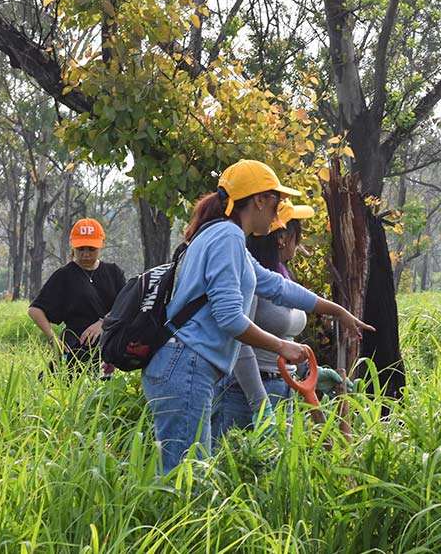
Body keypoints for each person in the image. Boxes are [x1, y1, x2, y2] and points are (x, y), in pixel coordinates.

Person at [143, 160, 374, 473]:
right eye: (277, 200)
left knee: (189, 475)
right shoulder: (227, 237)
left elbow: (274, 286)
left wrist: (336, 310)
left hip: (186, 365)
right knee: (186, 480)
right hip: (186, 365)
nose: (280, 211)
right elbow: (229, 318)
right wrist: (282, 346)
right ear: (259, 200)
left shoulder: (222, 235)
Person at [211, 198, 325, 439]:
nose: (300, 240)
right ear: (282, 237)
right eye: (298, 233)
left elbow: (286, 335)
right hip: (245, 394)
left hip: (284, 388)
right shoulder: (251, 277)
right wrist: (260, 406)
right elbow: (239, 342)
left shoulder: (284, 277)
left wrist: (308, 370)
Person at [28, 218, 126, 374]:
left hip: (112, 345)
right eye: (80, 249)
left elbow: (127, 305)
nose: (86, 255)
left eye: (91, 249)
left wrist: (103, 323)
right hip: (77, 347)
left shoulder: (114, 272)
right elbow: (35, 310)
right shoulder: (64, 275)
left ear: (100, 246)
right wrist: (53, 338)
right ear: (73, 246)